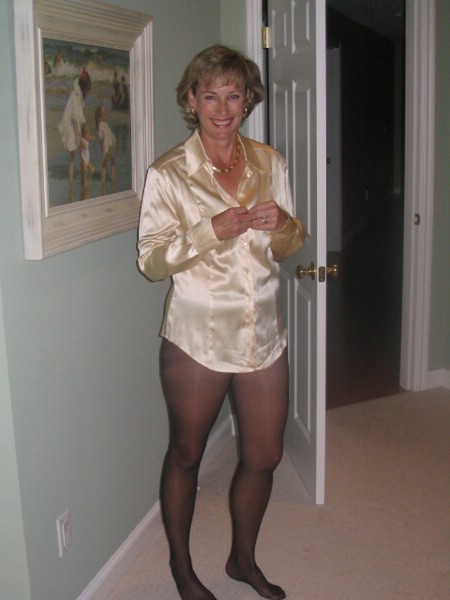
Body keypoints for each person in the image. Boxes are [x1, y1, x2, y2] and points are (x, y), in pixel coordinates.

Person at [137, 45, 305, 600]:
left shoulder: (271, 163)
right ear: (192, 100)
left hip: (263, 336)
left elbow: (288, 247)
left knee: (265, 456)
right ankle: (182, 569)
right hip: (197, 338)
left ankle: (241, 560)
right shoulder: (168, 174)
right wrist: (210, 230)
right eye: (210, 96)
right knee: (187, 456)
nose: (223, 109)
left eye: (234, 96)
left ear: (248, 100)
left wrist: (285, 224)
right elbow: (151, 262)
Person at [95, 103, 116, 193]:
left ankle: (103, 185)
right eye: (104, 113)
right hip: (112, 145)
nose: (105, 114)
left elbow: (102, 138)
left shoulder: (101, 125)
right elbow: (109, 136)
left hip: (107, 146)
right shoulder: (105, 124)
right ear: (100, 115)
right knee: (112, 163)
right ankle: (113, 183)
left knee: (104, 165)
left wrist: (102, 148)